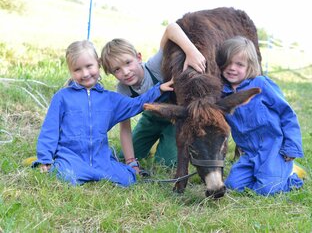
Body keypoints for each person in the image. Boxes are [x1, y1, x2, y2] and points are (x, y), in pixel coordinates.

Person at [32, 40, 173, 187]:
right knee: (65, 176)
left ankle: (99, 172)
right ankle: (62, 167)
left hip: (101, 159)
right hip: (72, 157)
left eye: (89, 66)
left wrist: (159, 89)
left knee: (128, 180)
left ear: (98, 64)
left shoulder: (110, 99)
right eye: (77, 69)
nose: (85, 73)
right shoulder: (62, 97)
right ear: (70, 71)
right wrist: (45, 158)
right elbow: (50, 128)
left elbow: (136, 104)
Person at [100, 22, 206, 171]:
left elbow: (171, 28)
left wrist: (191, 52)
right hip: (150, 119)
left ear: (138, 57)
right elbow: (124, 127)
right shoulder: (123, 89)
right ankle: (147, 143)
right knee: (125, 155)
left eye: (128, 62)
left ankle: (184, 143)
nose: (125, 72)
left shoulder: (155, 66)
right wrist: (131, 161)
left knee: (166, 163)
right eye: (117, 69)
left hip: (174, 120)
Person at [220, 36, 306, 196]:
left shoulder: (261, 84)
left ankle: (291, 175)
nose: (232, 68)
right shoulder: (222, 94)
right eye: (228, 63)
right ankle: (268, 175)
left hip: (274, 149)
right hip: (249, 153)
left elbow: (288, 115)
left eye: (239, 64)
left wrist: (292, 147)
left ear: (250, 66)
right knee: (232, 186)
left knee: (266, 190)